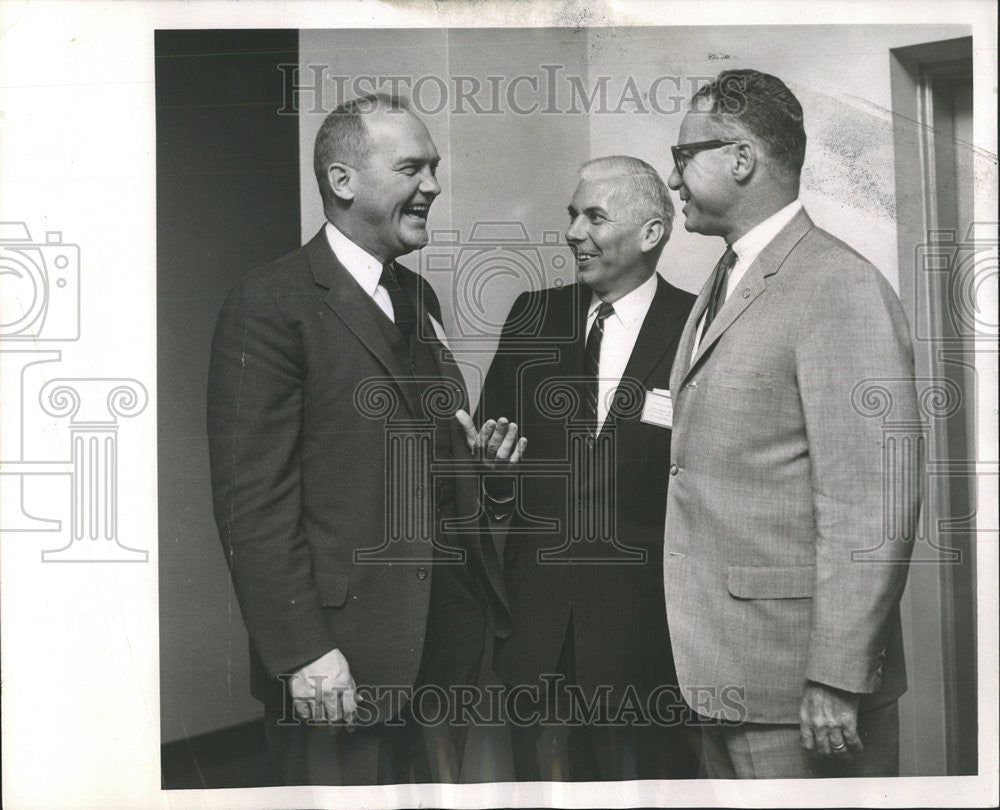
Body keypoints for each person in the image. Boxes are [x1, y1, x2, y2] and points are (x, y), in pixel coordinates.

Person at [207, 93, 521, 785]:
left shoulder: (418, 300)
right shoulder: (271, 304)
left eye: (434, 168)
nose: (433, 186)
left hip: (445, 650)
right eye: (413, 167)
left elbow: (405, 458)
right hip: (339, 663)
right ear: (343, 182)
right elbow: (250, 502)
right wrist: (302, 653)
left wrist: (481, 472)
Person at [662, 69, 922, 778]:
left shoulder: (838, 285)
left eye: (684, 156)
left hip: (802, 696)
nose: (675, 176)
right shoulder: (728, 278)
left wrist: (836, 678)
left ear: (741, 159)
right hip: (724, 680)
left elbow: (873, 501)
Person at [477, 156, 699, 781]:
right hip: (539, 634)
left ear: (651, 232)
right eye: (572, 215)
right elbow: (486, 463)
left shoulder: (697, 329)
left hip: (650, 641)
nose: (574, 232)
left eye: (594, 217)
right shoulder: (532, 318)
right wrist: (491, 472)